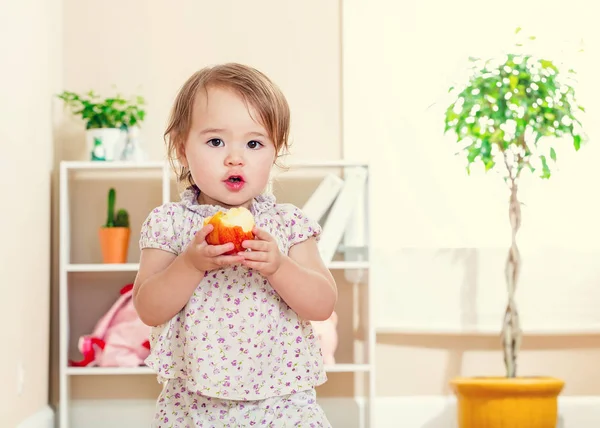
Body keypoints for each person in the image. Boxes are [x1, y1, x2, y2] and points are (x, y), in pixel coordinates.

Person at [133, 62, 337, 427]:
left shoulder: (287, 225)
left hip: (282, 400)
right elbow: (149, 308)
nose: (235, 157)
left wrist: (280, 266)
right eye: (215, 142)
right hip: (195, 403)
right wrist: (190, 264)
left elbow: (322, 305)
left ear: (276, 152)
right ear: (182, 150)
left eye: (254, 143)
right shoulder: (170, 224)